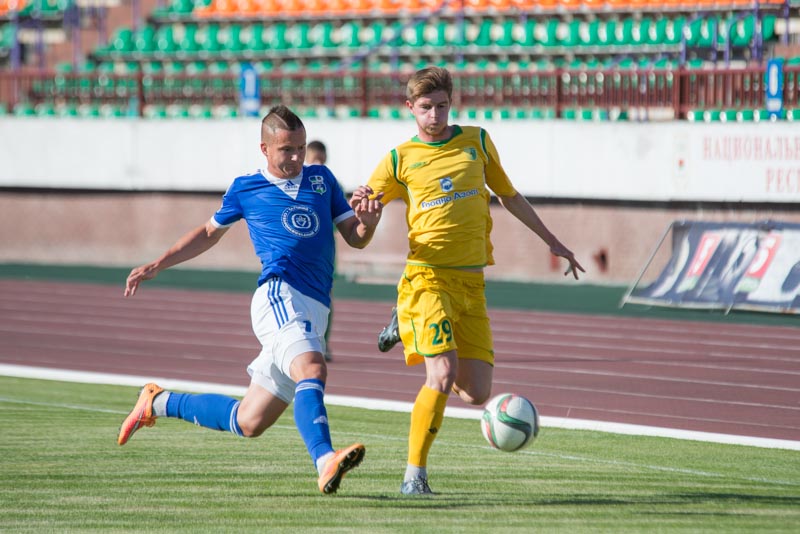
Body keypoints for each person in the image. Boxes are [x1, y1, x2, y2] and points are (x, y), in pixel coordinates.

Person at [118, 105, 384, 495]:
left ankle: (157, 403)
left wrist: (370, 223)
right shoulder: (247, 188)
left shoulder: (323, 179)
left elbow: (355, 237)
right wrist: (159, 263)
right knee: (312, 368)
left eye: (300, 148)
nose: (296, 157)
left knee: (249, 420)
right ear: (265, 149)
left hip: (316, 307)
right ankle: (325, 459)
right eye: (286, 149)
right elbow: (208, 233)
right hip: (279, 294)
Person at [349, 66, 585, 496]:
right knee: (441, 373)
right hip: (427, 279)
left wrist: (552, 241)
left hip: (472, 285)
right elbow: (360, 235)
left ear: (451, 104)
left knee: (476, 393)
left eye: (442, 106)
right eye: (426, 107)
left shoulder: (477, 142)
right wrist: (368, 217)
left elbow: (509, 195)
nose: (435, 115)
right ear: (410, 107)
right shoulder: (399, 159)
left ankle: (406, 326)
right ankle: (414, 477)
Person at [304, 139, 334, 362]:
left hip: (324, 253)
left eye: (323, 160)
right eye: (316, 160)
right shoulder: (300, 181)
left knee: (325, 298)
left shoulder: (330, 182)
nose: (320, 165)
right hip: (302, 252)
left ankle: (322, 343)